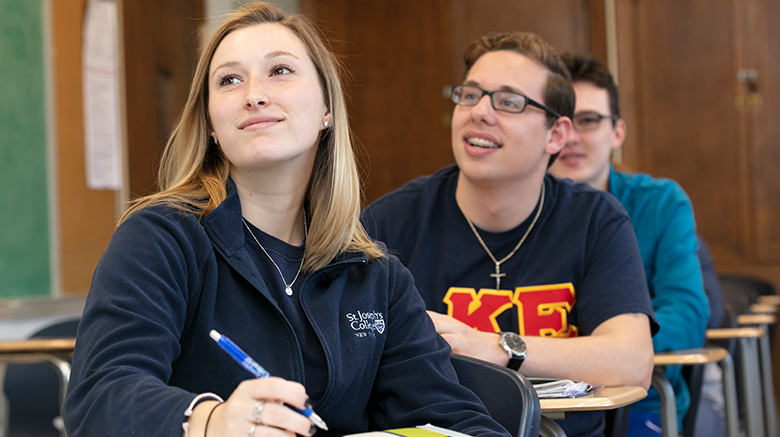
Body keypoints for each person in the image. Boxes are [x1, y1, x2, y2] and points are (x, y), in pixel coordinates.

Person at [61, 4, 512, 437]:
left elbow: (452, 417)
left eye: (280, 71)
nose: (254, 94)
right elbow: (99, 395)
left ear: (325, 111)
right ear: (212, 126)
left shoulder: (376, 277)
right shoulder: (161, 238)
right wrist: (209, 423)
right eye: (230, 80)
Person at [361, 31, 658, 437]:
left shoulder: (596, 219)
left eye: (508, 101)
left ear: (556, 134)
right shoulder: (390, 222)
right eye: (470, 95)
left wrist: (498, 348)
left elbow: (632, 361)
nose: (479, 112)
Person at [548, 53, 710, 436]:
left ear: (617, 132)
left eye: (587, 120)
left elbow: (688, 314)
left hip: (636, 401)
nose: (571, 136)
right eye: (560, 121)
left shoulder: (660, 202)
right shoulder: (514, 208)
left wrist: (605, 351)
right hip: (528, 403)